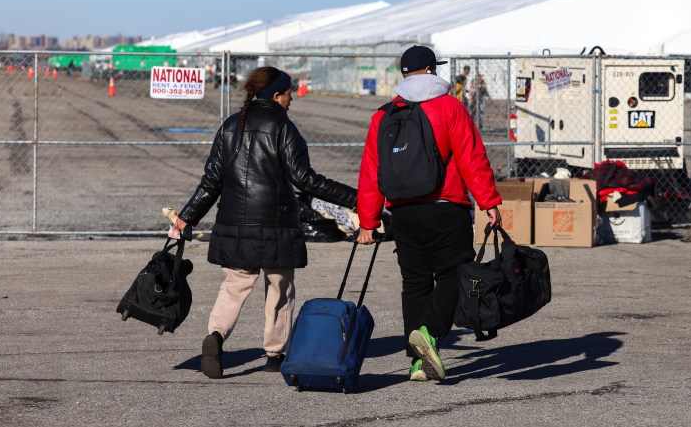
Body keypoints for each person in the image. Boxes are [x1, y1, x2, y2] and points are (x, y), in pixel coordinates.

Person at [171, 66, 358, 380]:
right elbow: (306, 179)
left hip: (233, 224)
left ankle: (215, 336)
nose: (291, 100)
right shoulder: (284, 127)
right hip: (276, 225)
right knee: (279, 288)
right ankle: (274, 353)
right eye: (289, 94)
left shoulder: (230, 126)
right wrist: (355, 198)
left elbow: (210, 182)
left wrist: (186, 216)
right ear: (276, 95)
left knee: (234, 285)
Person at [356, 45, 501, 383]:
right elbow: (471, 157)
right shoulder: (449, 107)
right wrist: (488, 200)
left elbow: (371, 170)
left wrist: (368, 220)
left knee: (415, 283)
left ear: (405, 74)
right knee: (454, 274)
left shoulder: (384, 114)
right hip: (446, 206)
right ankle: (431, 334)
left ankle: (418, 364)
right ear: (431, 70)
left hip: (403, 212)